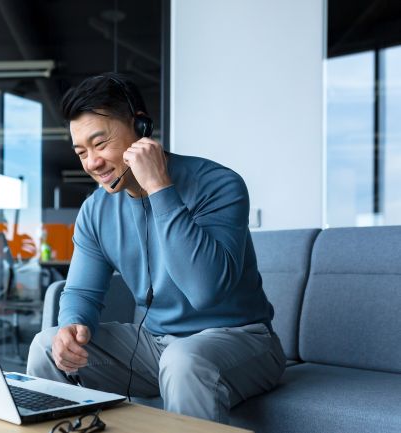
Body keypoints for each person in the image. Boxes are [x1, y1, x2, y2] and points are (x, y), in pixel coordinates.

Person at [26, 72, 286, 424]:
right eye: (82, 152)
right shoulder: (96, 209)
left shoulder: (220, 184)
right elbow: (82, 291)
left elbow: (205, 291)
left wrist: (160, 188)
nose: (92, 163)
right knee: (45, 346)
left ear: (141, 128)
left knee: (184, 361)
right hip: (155, 344)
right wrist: (71, 325)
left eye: (100, 144)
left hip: (241, 340)